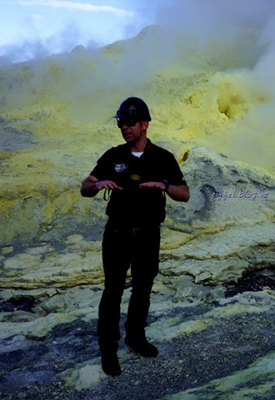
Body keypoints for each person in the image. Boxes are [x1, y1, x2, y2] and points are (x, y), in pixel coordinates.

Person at [80, 97, 190, 376]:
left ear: (144, 125)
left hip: (148, 234)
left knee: (143, 287)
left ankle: (135, 337)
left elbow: (184, 194)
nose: (124, 128)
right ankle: (108, 348)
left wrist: (164, 185)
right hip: (117, 233)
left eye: (129, 122)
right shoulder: (113, 155)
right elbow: (85, 187)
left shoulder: (163, 158)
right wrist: (97, 185)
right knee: (113, 290)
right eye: (121, 123)